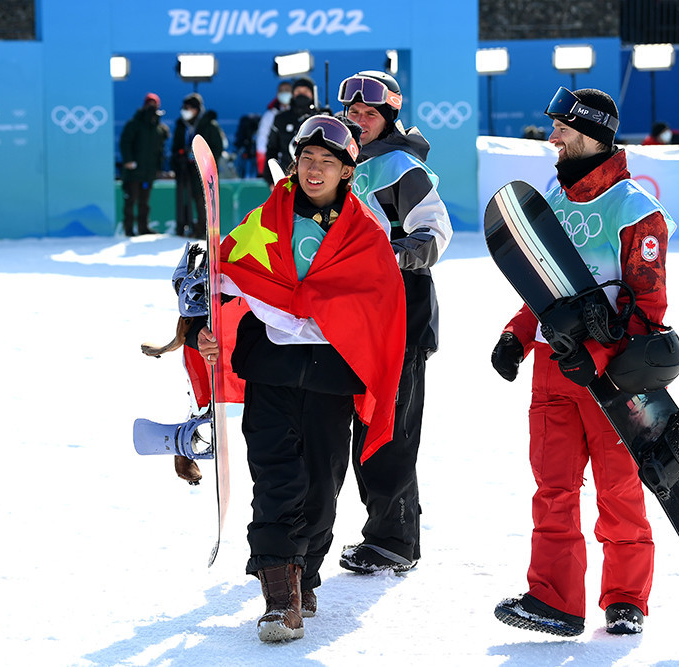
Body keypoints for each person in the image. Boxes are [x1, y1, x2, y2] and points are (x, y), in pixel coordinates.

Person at [192, 114, 407, 642]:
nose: (314, 170)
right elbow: (225, 279)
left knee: (322, 485)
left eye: (327, 162)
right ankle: (278, 598)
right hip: (270, 369)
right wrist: (207, 330)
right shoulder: (264, 221)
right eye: (306, 160)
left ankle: (303, 572)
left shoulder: (364, 233)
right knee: (275, 478)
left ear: (346, 172)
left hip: (333, 376)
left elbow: (382, 302)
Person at [490, 87, 676, 637]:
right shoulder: (554, 197)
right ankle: (555, 601)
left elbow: (648, 310)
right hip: (553, 369)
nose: (553, 138)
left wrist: (595, 355)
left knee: (619, 489)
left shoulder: (636, 211)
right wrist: (517, 336)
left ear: (593, 133)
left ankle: (625, 600)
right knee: (552, 487)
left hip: (612, 379)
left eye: (563, 130)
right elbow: (542, 286)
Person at [333, 70, 452, 575]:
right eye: (353, 113)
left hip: (400, 313)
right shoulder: (337, 161)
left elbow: (435, 233)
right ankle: (384, 529)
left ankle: (394, 539)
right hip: (348, 317)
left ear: (388, 118)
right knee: (358, 425)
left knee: (390, 429)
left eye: (370, 114)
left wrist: (380, 258)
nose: (359, 121)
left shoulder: (401, 167)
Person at [170, 92, 224, 238]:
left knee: (202, 200)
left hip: (203, 170)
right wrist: (179, 156)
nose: (185, 111)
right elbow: (175, 146)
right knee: (185, 198)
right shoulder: (181, 125)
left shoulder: (209, 125)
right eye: (184, 107)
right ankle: (184, 226)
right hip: (185, 170)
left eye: (188, 108)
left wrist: (204, 161)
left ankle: (203, 229)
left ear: (196, 109)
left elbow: (217, 148)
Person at [119, 92, 169, 236]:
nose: (152, 107)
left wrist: (159, 169)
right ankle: (129, 229)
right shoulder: (134, 124)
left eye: (154, 104)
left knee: (144, 202)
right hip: (134, 171)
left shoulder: (159, 129)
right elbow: (125, 143)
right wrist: (128, 161)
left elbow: (160, 151)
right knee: (131, 200)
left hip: (149, 172)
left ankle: (143, 227)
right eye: (149, 104)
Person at [265, 77, 318, 175]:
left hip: (314, 174)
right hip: (286, 176)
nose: (302, 94)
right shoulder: (280, 119)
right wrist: (270, 177)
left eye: (306, 91)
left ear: (313, 94)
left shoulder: (320, 118)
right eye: (298, 91)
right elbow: (271, 149)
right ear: (293, 94)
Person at [255, 80, 293, 176]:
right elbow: (262, 141)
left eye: (287, 90)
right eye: (282, 91)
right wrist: (263, 169)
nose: (284, 93)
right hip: (279, 164)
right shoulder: (270, 116)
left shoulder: (300, 115)